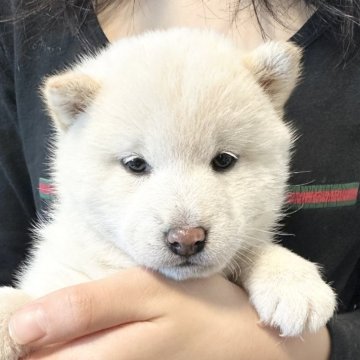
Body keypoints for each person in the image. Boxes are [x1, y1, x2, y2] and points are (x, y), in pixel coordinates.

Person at [0, 0, 359, 359]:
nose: (186, 232)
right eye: (136, 165)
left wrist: (308, 337)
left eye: (223, 161)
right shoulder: (18, 26)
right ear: (73, 111)